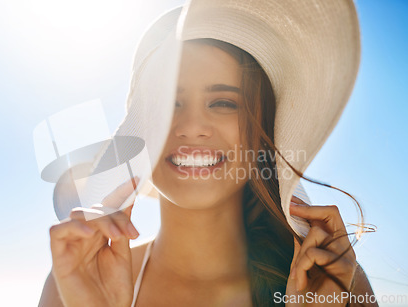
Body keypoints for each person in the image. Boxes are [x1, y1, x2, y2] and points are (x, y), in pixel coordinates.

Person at [39, 1, 377, 306]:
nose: (192, 125)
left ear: (262, 131)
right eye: (169, 102)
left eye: (224, 103)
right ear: (140, 129)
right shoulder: (74, 284)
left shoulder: (335, 283)